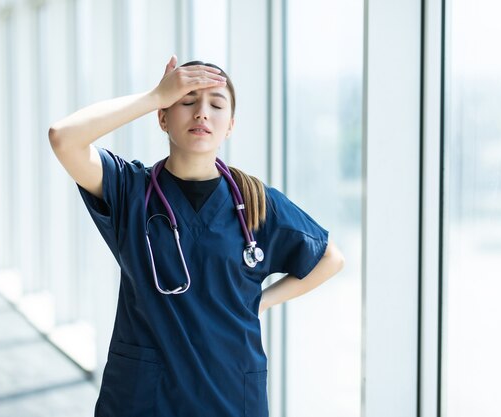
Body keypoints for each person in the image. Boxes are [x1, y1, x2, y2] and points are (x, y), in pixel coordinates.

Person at [48, 54, 345, 417]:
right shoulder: (129, 190)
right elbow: (63, 138)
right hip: (144, 398)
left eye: (216, 104)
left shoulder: (255, 202)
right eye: (187, 101)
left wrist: (261, 302)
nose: (202, 113)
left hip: (228, 392)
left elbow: (330, 259)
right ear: (163, 117)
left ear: (230, 125)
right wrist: (155, 95)